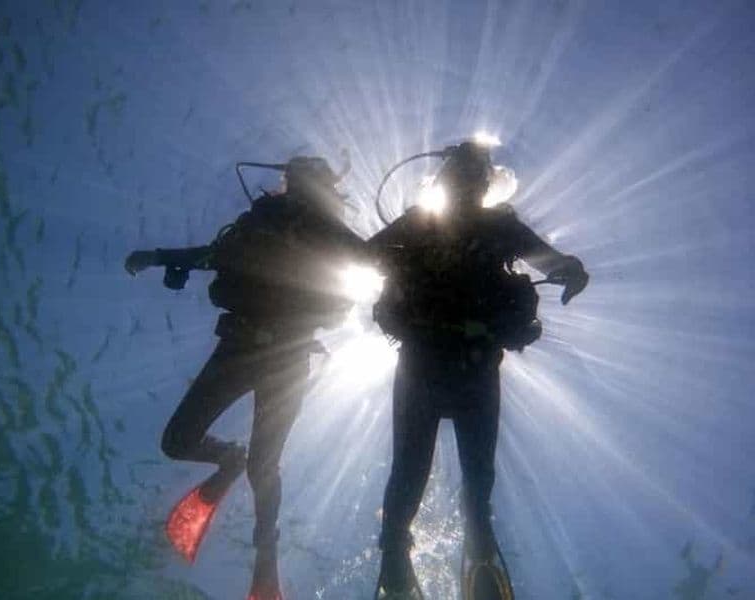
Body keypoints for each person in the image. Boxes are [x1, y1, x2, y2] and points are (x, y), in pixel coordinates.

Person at [125, 155, 365, 600]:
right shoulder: (258, 221)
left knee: (264, 465)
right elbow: (213, 255)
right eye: (293, 178)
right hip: (237, 348)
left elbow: (372, 259)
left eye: (306, 179)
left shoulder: (332, 232)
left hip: (289, 358)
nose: (295, 185)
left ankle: (265, 561)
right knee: (177, 442)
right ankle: (226, 461)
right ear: (287, 182)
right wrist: (159, 256)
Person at [368, 141, 589, 600]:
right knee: (463, 475)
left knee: (425, 471)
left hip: (433, 364)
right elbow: (551, 260)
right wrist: (570, 269)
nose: (467, 186)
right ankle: (450, 543)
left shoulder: (440, 224)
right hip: (462, 365)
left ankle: (405, 548)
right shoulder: (482, 225)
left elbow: (360, 256)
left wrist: (570, 268)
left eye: (472, 178)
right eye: (464, 177)